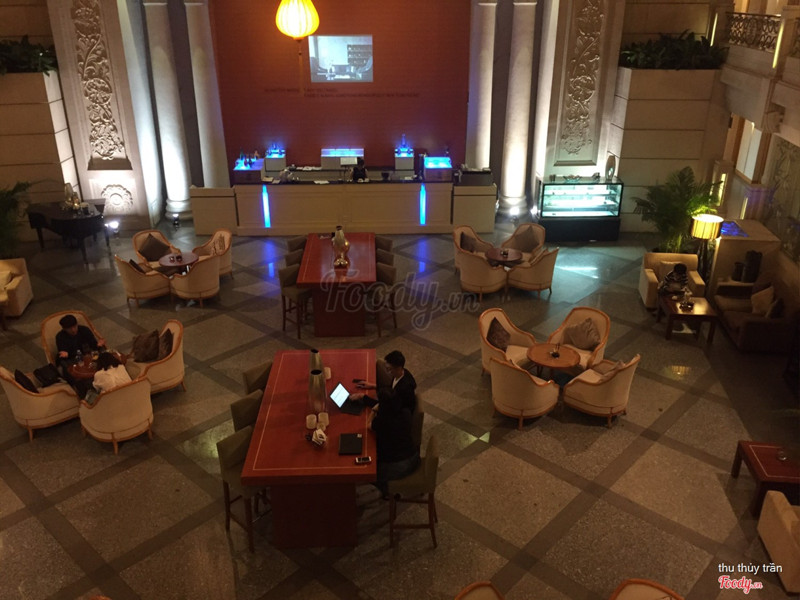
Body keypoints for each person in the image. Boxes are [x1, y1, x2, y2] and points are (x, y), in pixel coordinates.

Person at [368, 388, 419, 497]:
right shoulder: (405, 412)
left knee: (369, 473)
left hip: (397, 467)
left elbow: (368, 425)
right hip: (413, 457)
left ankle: (386, 491)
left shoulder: (383, 421)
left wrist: (373, 411)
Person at [351, 350, 417, 413]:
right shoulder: (401, 373)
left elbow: (385, 407)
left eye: (389, 369)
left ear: (398, 368)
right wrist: (373, 386)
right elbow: (391, 389)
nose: (388, 372)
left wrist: (363, 397)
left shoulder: (404, 389)